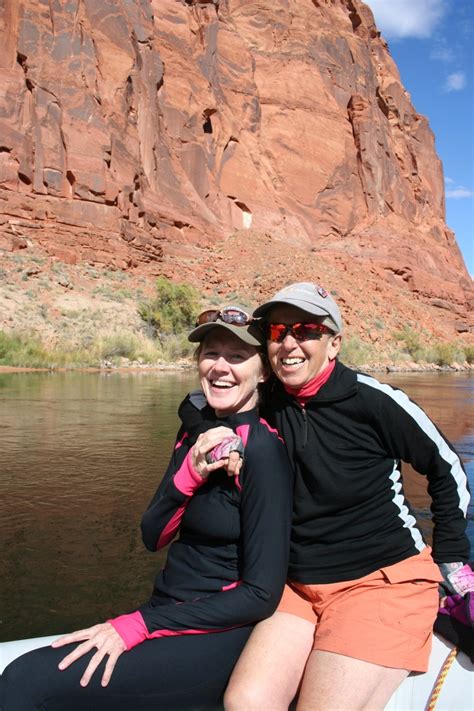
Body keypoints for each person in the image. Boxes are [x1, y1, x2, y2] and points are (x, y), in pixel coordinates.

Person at [0, 306, 293, 711]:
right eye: (210, 353)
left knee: (25, 679)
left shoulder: (264, 453)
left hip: (217, 635)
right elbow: (152, 536)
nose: (220, 367)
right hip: (166, 611)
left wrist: (139, 625)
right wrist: (188, 474)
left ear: (263, 373)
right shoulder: (196, 436)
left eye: (237, 357)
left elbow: (261, 595)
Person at [216, 282, 470, 710]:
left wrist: (451, 555)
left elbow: (446, 469)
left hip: (380, 582)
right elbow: (202, 401)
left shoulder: (373, 401)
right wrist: (222, 440)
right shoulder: (269, 400)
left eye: (306, 330)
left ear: (333, 344)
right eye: (278, 332)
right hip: (297, 587)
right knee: (246, 702)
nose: (290, 342)